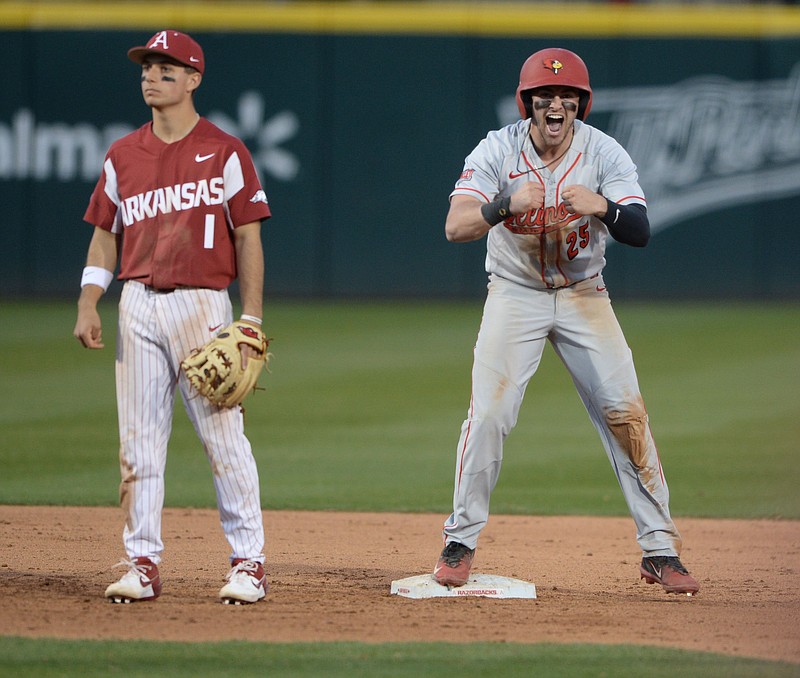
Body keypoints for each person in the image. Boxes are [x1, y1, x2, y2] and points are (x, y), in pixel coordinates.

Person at [432, 47, 699, 596]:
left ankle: (660, 551)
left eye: (567, 97)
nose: (557, 105)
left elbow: (641, 230)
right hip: (516, 293)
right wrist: (502, 204)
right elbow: (455, 227)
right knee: (490, 416)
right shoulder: (497, 149)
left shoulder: (603, 153)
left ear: (581, 105)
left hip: (584, 295)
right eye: (545, 97)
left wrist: (603, 206)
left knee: (628, 417)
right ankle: (459, 540)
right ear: (527, 104)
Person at [73, 30, 272, 604]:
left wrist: (251, 317)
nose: (150, 76)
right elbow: (104, 236)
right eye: (146, 67)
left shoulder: (226, 150)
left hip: (201, 304)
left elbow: (248, 236)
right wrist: (90, 300)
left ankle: (248, 562)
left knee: (223, 438)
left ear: (193, 79)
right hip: (135, 302)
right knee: (137, 444)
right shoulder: (122, 154)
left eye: (165, 68)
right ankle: (142, 561)